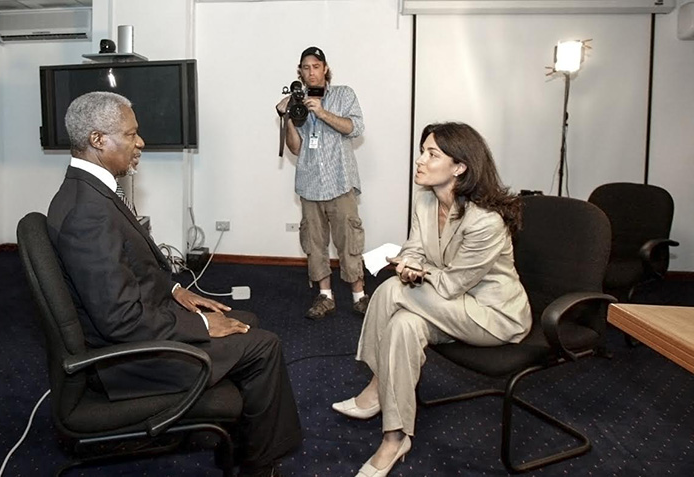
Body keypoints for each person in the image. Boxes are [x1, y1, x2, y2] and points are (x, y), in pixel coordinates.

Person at [47, 91, 301, 477]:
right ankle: (257, 466)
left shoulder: (88, 192)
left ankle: (235, 443)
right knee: (263, 346)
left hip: (135, 328)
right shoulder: (88, 212)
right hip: (126, 359)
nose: (140, 143)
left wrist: (174, 291)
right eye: (131, 134)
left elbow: (123, 270)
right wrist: (199, 326)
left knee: (243, 318)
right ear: (98, 140)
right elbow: (120, 320)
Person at [331, 122, 532, 477]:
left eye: (432, 154)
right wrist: (411, 263)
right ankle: (395, 437)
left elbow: (454, 283)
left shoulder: (485, 221)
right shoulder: (426, 199)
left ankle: (377, 386)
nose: (420, 160)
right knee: (404, 325)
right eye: (423, 151)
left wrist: (412, 274)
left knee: (392, 290)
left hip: (490, 315)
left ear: (460, 167)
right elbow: (416, 248)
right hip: (440, 305)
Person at [275, 46, 369, 320]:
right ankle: (325, 296)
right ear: (300, 72)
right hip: (310, 184)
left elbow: (356, 128)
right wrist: (289, 118)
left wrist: (322, 112)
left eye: (316, 66)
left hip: (340, 181)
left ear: (325, 68)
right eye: (306, 67)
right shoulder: (298, 101)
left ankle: (359, 296)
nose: (311, 72)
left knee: (348, 239)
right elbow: (295, 148)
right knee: (314, 243)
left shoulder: (344, 94)